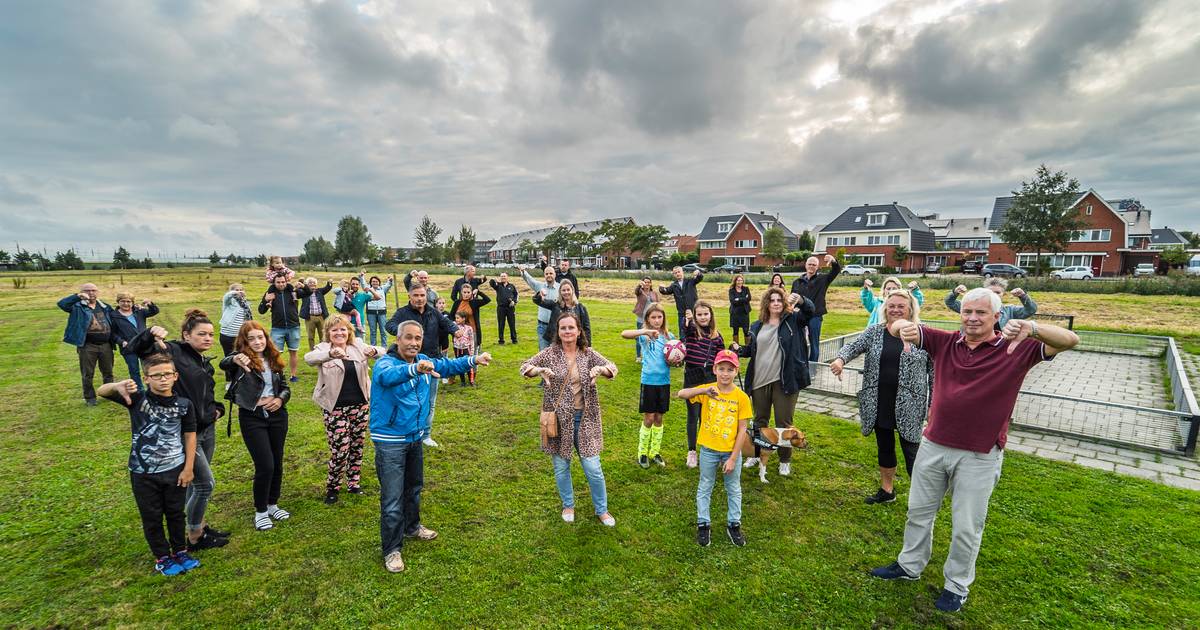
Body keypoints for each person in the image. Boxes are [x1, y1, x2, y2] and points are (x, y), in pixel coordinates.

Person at [869, 288, 1079, 613]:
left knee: (966, 526)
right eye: (967, 312)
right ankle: (909, 566)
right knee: (918, 513)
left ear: (998, 317)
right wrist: (903, 329)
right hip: (934, 444)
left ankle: (956, 585)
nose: (972, 318)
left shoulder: (1017, 348)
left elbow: (1070, 340)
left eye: (981, 313)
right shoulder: (944, 342)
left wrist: (1033, 328)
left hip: (980, 453)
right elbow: (898, 325)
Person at [371, 320, 491, 573]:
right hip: (391, 441)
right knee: (393, 498)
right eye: (409, 338)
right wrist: (415, 370)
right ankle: (392, 549)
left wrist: (473, 361)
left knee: (414, 487)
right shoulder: (385, 363)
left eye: (418, 338)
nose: (414, 343)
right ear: (397, 339)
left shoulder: (424, 359)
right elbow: (388, 377)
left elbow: (445, 366)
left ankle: (412, 527)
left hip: (414, 437)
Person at [126, 310, 229, 551]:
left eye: (211, 334)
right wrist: (149, 334)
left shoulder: (201, 359)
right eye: (201, 334)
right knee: (205, 484)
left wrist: (217, 409)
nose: (208, 338)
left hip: (207, 428)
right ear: (186, 335)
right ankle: (194, 535)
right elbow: (134, 349)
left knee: (195, 483)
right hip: (185, 432)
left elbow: (206, 392)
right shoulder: (172, 351)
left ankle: (199, 524)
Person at [97, 354, 199, 575]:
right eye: (156, 375)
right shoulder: (136, 399)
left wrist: (188, 467)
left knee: (175, 513)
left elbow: (190, 435)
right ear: (146, 378)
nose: (163, 379)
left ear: (175, 376)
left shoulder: (184, 405)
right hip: (143, 472)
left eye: (167, 375)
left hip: (175, 469)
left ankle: (180, 551)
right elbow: (101, 391)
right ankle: (162, 557)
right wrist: (118, 385)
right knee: (151, 516)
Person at [831, 290, 932, 504]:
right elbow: (853, 346)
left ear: (910, 309)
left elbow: (935, 373)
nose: (895, 309)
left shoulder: (923, 335)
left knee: (912, 450)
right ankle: (887, 491)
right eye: (891, 305)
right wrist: (840, 360)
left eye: (900, 306)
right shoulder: (875, 331)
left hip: (910, 404)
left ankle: (922, 498)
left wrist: (934, 404)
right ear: (885, 308)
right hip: (879, 400)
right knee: (884, 446)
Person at [521, 312, 617, 526]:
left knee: (593, 467)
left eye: (571, 328)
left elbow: (613, 368)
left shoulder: (588, 353)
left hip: (585, 419)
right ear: (558, 331)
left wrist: (601, 370)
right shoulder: (550, 353)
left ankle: (602, 510)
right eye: (563, 328)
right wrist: (538, 370)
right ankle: (568, 505)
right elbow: (524, 367)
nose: (567, 332)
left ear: (578, 330)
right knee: (561, 467)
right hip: (558, 420)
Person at [731, 287, 814, 477]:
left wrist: (801, 299)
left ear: (784, 302)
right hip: (760, 379)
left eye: (779, 300)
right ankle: (757, 453)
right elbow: (753, 350)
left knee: (784, 423)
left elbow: (810, 312)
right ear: (766, 304)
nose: (776, 303)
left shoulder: (793, 320)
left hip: (785, 380)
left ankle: (784, 460)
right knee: (760, 421)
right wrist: (738, 349)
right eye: (772, 300)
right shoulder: (756, 325)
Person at [304, 314, 386, 505]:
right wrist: (331, 354)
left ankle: (354, 483)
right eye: (334, 330)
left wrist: (373, 350)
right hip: (335, 408)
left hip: (360, 405)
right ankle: (333, 487)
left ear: (349, 331)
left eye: (343, 329)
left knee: (357, 447)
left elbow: (383, 351)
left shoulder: (357, 345)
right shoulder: (323, 348)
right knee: (340, 450)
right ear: (328, 333)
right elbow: (309, 358)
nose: (339, 333)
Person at [220, 321, 292, 531]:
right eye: (251, 338)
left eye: (260, 337)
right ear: (244, 341)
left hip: (278, 415)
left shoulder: (273, 357)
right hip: (253, 417)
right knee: (265, 465)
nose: (257, 342)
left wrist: (280, 400)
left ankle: (272, 504)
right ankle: (260, 511)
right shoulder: (240, 361)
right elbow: (224, 363)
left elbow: (285, 387)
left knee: (277, 462)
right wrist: (234, 358)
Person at [678, 349, 752, 548]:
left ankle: (733, 524)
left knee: (733, 488)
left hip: (730, 452)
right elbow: (681, 394)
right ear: (715, 369)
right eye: (721, 369)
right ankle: (703, 524)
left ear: (736, 371)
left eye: (730, 369)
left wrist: (734, 458)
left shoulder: (741, 397)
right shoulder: (708, 390)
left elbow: (743, 429)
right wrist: (702, 391)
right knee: (705, 486)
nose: (725, 374)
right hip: (709, 450)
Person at [385, 284, 458, 448]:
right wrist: (403, 331)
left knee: (429, 402)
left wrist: (455, 329)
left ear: (427, 296)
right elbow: (389, 324)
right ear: (410, 296)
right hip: (410, 363)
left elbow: (445, 322)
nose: (419, 299)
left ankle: (426, 434)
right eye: (416, 295)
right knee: (409, 400)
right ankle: (408, 431)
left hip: (432, 361)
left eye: (422, 295)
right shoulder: (403, 313)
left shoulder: (433, 312)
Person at [620, 304, 675, 468]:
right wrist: (645, 331)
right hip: (649, 382)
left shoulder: (669, 336)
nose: (657, 320)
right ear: (647, 319)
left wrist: (676, 360)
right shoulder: (645, 336)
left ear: (664, 318)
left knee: (659, 418)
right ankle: (642, 453)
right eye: (653, 317)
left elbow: (675, 355)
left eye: (660, 317)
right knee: (649, 418)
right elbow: (624, 334)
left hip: (664, 382)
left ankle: (654, 452)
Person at [682, 300, 725, 469]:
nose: (703, 317)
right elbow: (685, 328)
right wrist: (688, 319)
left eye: (706, 314)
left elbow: (720, 356)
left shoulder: (717, 336)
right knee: (693, 415)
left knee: (708, 416)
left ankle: (709, 448)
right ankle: (692, 451)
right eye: (699, 314)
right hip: (693, 378)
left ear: (711, 315)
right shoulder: (692, 331)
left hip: (709, 378)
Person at [58, 282, 115, 406]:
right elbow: (62, 304)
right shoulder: (77, 306)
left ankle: (109, 394)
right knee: (88, 374)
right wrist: (77, 297)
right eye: (87, 290)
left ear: (97, 292)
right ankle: (90, 398)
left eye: (93, 290)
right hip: (88, 346)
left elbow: (116, 317)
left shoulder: (105, 306)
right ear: (82, 292)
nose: (91, 293)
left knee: (108, 372)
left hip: (106, 345)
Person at [791, 254, 841, 363]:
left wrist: (833, 261)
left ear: (817, 267)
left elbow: (836, 270)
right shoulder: (797, 282)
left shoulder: (823, 279)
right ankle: (801, 364)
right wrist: (792, 308)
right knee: (799, 340)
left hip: (815, 315)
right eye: (810, 264)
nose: (811, 266)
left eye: (814, 265)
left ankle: (813, 367)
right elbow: (792, 298)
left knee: (814, 343)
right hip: (800, 316)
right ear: (806, 265)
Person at [111, 292, 159, 391]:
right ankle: (140, 391)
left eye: (128, 301)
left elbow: (154, 311)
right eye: (122, 301)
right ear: (118, 302)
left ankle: (152, 389)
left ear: (132, 303)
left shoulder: (139, 311)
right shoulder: (113, 316)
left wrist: (149, 303)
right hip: (128, 347)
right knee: (134, 370)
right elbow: (112, 333)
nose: (126, 304)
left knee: (149, 368)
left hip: (144, 345)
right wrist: (121, 342)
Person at [943, 277, 1037, 328]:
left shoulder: (1010, 310)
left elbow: (1031, 310)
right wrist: (955, 292)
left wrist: (1023, 296)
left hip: (998, 350)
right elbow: (950, 302)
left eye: (997, 292)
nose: (994, 294)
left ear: (1003, 294)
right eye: (990, 291)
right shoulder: (972, 307)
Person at [259, 275, 301, 382]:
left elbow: (308, 292)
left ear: (286, 281)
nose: (281, 284)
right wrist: (265, 300)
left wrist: (303, 285)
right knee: (275, 354)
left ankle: (293, 375)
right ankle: (278, 375)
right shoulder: (270, 293)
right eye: (278, 282)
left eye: (283, 282)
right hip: (277, 328)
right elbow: (261, 310)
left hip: (294, 327)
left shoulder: (292, 291)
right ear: (274, 283)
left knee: (293, 352)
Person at [533, 280, 591, 346]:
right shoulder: (555, 305)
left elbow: (586, 329)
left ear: (572, 290)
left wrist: (587, 346)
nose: (566, 292)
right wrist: (540, 296)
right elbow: (537, 301)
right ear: (560, 292)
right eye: (563, 290)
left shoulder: (581, 308)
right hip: (556, 341)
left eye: (568, 290)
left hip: (574, 342)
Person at [521, 264, 561, 351]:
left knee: (556, 352)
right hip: (542, 326)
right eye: (546, 274)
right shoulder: (540, 286)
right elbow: (530, 280)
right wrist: (524, 272)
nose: (549, 275)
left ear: (555, 274)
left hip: (556, 326)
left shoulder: (560, 288)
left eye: (551, 273)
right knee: (543, 352)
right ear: (544, 275)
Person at [659, 266, 703, 335]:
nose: (677, 274)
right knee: (683, 332)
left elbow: (699, 278)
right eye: (675, 273)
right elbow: (666, 291)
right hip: (681, 313)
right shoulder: (674, 285)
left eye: (679, 272)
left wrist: (698, 273)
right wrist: (661, 288)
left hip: (693, 311)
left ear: (682, 272)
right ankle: (683, 344)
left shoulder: (690, 281)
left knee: (696, 331)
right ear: (674, 274)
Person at [296, 278, 333, 351]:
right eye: (310, 282)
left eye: (314, 283)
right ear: (307, 284)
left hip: (320, 317)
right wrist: (299, 286)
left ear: (316, 284)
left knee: (323, 335)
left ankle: (323, 350)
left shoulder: (320, 291)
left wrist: (329, 282)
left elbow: (327, 288)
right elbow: (298, 293)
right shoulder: (304, 292)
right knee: (310, 336)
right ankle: (312, 351)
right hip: (310, 317)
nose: (312, 284)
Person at [452, 283, 491, 353]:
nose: (466, 294)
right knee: (460, 352)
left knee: (472, 351)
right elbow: (451, 316)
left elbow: (487, 300)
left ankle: (474, 363)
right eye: (464, 292)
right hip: (459, 331)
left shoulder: (474, 302)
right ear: (461, 292)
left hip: (472, 331)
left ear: (471, 292)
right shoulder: (457, 303)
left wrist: (479, 292)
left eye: (468, 292)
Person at [361, 272, 395, 347]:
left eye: (376, 281)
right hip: (371, 313)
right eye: (373, 281)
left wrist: (390, 280)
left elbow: (389, 284)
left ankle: (384, 347)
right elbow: (363, 284)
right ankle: (373, 347)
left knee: (383, 331)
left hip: (382, 312)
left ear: (379, 282)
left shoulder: (383, 289)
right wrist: (362, 276)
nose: (375, 283)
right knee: (373, 331)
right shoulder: (368, 289)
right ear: (371, 283)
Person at [219, 283, 254, 357]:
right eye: (237, 290)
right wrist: (235, 293)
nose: (239, 292)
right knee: (230, 358)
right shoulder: (229, 302)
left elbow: (247, 319)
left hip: (240, 336)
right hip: (228, 336)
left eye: (241, 290)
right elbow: (226, 296)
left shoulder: (245, 304)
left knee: (243, 357)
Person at [632, 276, 659, 362]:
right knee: (640, 337)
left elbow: (657, 304)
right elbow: (636, 291)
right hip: (641, 318)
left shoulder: (654, 293)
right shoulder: (640, 291)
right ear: (643, 283)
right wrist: (639, 285)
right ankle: (639, 356)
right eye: (645, 282)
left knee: (652, 337)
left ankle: (650, 354)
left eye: (648, 282)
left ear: (651, 284)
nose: (647, 284)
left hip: (651, 319)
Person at [488, 272, 520, 345]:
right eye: (501, 276)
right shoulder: (498, 285)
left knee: (512, 324)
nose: (503, 277)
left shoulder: (511, 286)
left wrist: (514, 302)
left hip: (510, 308)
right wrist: (493, 280)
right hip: (501, 308)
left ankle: (514, 339)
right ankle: (501, 340)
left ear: (507, 277)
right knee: (501, 324)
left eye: (504, 276)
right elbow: (491, 283)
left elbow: (516, 294)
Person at [451, 310, 477, 386]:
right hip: (457, 349)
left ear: (463, 318)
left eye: (458, 318)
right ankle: (463, 381)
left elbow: (472, 340)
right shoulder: (454, 326)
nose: (456, 319)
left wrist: (472, 351)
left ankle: (471, 381)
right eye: (455, 318)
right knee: (459, 364)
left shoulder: (469, 328)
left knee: (469, 364)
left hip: (466, 349)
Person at [728, 274, 752, 346]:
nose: (740, 282)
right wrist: (744, 299)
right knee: (735, 331)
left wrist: (738, 299)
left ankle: (747, 347)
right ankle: (736, 348)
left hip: (744, 313)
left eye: (741, 280)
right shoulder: (731, 290)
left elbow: (749, 298)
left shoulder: (746, 289)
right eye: (738, 280)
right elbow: (732, 301)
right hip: (735, 314)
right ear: (735, 281)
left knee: (746, 331)